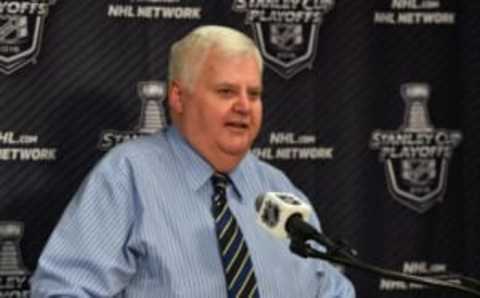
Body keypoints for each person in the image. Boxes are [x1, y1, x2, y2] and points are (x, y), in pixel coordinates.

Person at [31, 25, 355, 297]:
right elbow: (63, 290)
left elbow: (331, 289)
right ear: (178, 97)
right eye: (226, 91)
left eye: (254, 94)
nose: (245, 106)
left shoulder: (278, 188)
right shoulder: (128, 176)